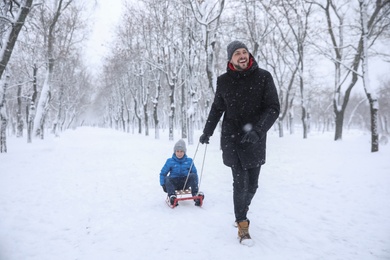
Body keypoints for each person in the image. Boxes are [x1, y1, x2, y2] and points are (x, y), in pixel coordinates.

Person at [199, 40, 280, 245]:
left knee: (253, 185)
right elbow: (218, 108)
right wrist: (207, 132)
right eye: (237, 53)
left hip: (254, 139)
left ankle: (241, 211)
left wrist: (258, 131)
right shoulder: (224, 81)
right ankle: (242, 224)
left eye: (244, 52)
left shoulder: (263, 77)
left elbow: (273, 107)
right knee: (240, 184)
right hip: (232, 139)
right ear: (231, 59)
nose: (242, 55)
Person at [160, 139, 201, 207]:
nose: (179, 153)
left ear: (184, 152)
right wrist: (163, 185)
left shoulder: (189, 161)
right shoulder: (170, 161)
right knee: (167, 178)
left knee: (193, 175)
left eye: (181, 151)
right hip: (174, 183)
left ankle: (196, 195)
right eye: (177, 151)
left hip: (185, 182)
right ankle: (172, 197)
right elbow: (163, 173)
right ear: (175, 152)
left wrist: (195, 184)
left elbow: (194, 173)